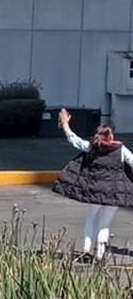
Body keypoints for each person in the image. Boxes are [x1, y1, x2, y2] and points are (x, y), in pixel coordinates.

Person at [52, 108, 133, 261]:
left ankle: (86, 249)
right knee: (104, 223)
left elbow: (73, 139)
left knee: (91, 218)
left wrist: (65, 124)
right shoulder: (120, 149)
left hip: (94, 190)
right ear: (112, 135)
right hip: (113, 192)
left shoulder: (92, 146)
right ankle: (100, 254)